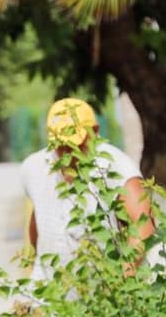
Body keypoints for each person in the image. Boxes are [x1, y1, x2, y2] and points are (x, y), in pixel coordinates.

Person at [21, 97, 154, 282]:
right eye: (61, 144)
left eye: (75, 143)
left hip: (101, 294)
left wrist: (124, 278)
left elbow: (143, 224)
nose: (68, 151)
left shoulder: (115, 166)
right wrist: (34, 266)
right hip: (48, 291)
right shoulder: (33, 167)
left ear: (95, 131)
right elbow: (40, 215)